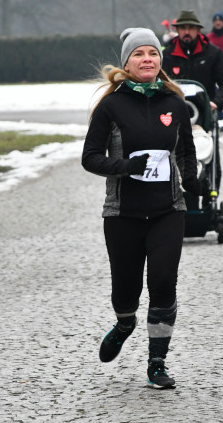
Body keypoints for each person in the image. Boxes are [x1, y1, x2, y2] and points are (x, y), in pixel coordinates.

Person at [82, 27, 200, 390]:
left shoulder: (174, 104)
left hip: (167, 210)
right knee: (126, 291)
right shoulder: (111, 106)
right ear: (127, 63)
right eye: (138, 54)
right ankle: (124, 323)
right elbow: (90, 158)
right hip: (123, 214)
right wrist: (124, 168)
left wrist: (193, 187)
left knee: (164, 283)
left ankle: (157, 362)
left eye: (152, 53)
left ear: (160, 61)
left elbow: (186, 154)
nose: (147, 59)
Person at [162, 9, 223, 193]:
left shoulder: (213, 53)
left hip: (204, 116)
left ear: (198, 30)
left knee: (209, 154)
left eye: (191, 28)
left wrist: (216, 103)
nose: (187, 32)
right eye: (183, 28)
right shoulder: (167, 55)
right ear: (177, 30)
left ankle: (211, 191)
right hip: (174, 115)